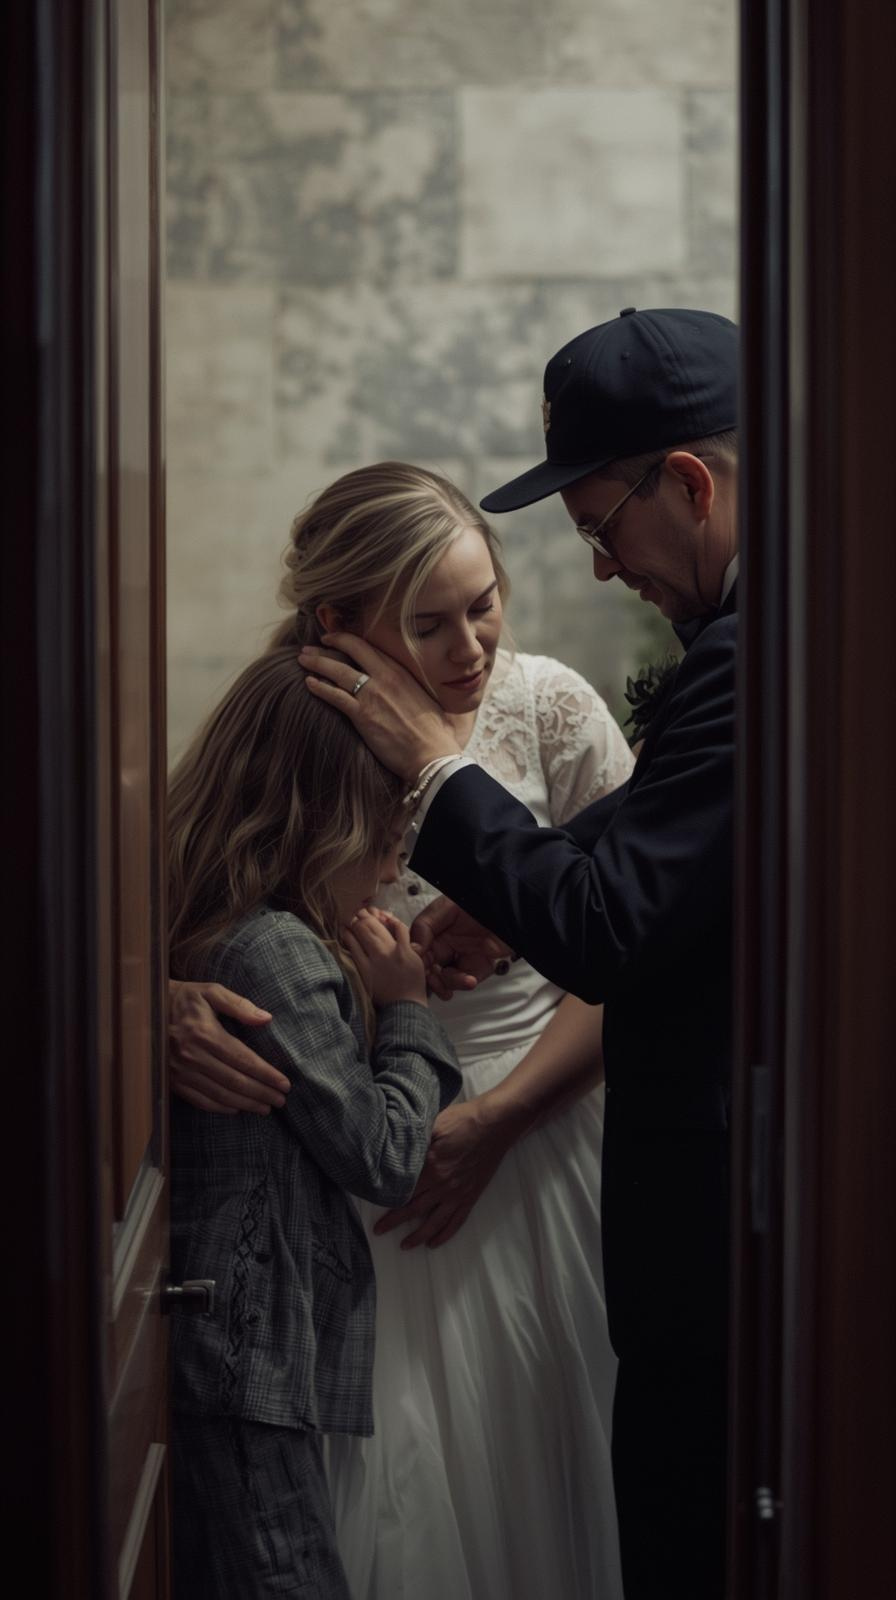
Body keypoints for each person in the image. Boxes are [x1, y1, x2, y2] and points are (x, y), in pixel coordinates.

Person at [296, 309, 740, 1600]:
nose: (600, 568)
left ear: (692, 484)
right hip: (385, 1171)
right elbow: (673, 842)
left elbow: (618, 928)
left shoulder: (749, 653)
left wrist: (438, 775)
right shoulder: (759, 638)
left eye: (599, 526)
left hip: (611, 1168)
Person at [169, 461, 633, 1598]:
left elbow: (637, 958)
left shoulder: (550, 709)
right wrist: (155, 997)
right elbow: (195, 899)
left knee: (550, 1442)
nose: (471, 646)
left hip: (538, 1132)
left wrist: (496, 1118)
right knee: (402, 1478)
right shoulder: (297, 731)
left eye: (485, 604)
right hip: (363, 1159)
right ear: (339, 625)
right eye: (427, 625)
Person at [166, 645, 462, 1599]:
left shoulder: (221, 923)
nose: (392, 866)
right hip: (248, 1352)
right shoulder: (278, 953)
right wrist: (410, 1009)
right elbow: (383, 1155)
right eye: (381, 837)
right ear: (313, 824)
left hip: (228, 1349)